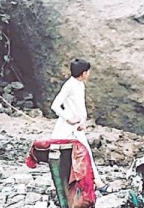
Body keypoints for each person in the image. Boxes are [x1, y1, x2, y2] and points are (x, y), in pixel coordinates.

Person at [50, 59, 113, 194]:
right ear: (84, 73)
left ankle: (90, 183)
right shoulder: (69, 85)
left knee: (82, 155)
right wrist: (69, 118)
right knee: (76, 155)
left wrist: (83, 121)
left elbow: (80, 106)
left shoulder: (80, 84)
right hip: (66, 129)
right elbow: (55, 105)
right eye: (88, 71)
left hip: (77, 128)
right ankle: (96, 183)